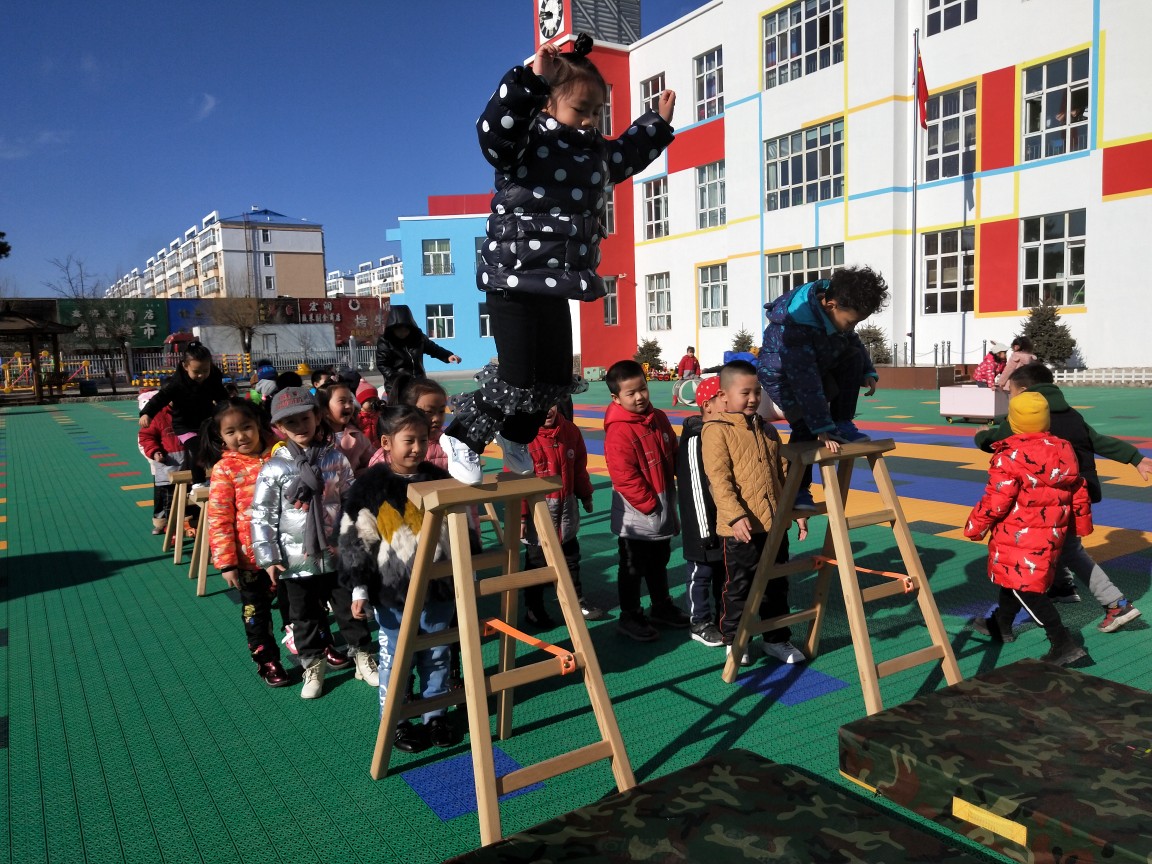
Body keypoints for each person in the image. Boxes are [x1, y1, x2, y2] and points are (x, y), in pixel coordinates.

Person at [444, 33, 677, 474]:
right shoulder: (526, 145)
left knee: (554, 378)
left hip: (556, 284)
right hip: (512, 278)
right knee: (517, 375)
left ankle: (516, 437)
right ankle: (460, 436)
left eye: (596, 112)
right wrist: (530, 83)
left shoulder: (594, 153)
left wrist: (656, 126)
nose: (589, 121)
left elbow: (627, 154)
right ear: (548, 105)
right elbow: (496, 131)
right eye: (580, 109)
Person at [976, 362, 1148, 632]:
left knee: (1060, 549)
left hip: (1051, 498)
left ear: (1025, 391)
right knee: (1054, 542)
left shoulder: (1027, 418)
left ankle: (1116, 603)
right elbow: (1098, 440)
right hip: (1080, 491)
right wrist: (1134, 457)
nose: (1010, 398)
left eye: (1011, 393)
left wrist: (980, 437)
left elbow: (996, 440)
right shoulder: (1071, 415)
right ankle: (1061, 587)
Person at [337, 406, 460, 753]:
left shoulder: (440, 480)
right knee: (397, 656)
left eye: (423, 439)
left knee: (438, 652)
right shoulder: (370, 488)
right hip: (392, 592)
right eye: (409, 440)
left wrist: (466, 570)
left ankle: (435, 714)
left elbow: (459, 527)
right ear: (386, 442)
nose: (418, 448)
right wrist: (359, 588)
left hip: (438, 586)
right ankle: (396, 720)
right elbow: (354, 540)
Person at [250, 387, 378, 699]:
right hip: (295, 559)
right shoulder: (274, 467)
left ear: (317, 417)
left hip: (336, 553)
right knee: (303, 617)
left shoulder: (335, 458)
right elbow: (263, 514)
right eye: (290, 422)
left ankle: (363, 657)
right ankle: (313, 666)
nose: (300, 426)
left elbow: (351, 501)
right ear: (279, 428)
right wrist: (268, 556)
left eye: (305, 418)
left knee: (351, 609)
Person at [965, 392, 1093, 666]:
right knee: (1014, 577)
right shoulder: (1063, 450)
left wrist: (975, 526)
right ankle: (1001, 623)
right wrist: (1079, 525)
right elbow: (1078, 490)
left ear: (1014, 422)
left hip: (1018, 532)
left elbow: (997, 499)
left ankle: (1062, 642)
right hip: (1051, 532)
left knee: (1026, 588)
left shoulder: (1010, 454)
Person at [702, 361, 809, 665]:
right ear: (723, 396)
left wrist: (795, 509)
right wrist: (735, 516)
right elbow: (718, 480)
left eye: (758, 392)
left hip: (774, 524)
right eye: (745, 392)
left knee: (777, 584)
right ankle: (736, 640)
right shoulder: (716, 431)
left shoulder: (768, 430)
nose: (753, 398)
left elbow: (783, 473)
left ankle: (776, 639)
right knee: (740, 586)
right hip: (741, 529)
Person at [757, 266, 889, 509]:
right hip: (783, 376)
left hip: (817, 364)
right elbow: (805, 383)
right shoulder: (796, 325)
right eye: (851, 321)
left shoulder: (837, 312)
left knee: (852, 356)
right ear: (831, 305)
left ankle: (842, 422)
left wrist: (866, 370)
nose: (851, 327)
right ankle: (797, 490)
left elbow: (852, 340)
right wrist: (821, 427)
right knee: (805, 424)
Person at [201, 398, 289, 687]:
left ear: (259, 424)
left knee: (298, 605)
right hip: (250, 559)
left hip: (289, 550)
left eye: (247, 427)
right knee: (256, 613)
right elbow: (219, 518)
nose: (241, 436)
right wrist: (226, 563)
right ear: (221, 436)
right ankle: (267, 660)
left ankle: (312, 648)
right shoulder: (225, 469)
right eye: (231, 432)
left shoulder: (281, 454)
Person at [603, 359, 689, 641]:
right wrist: (650, 505)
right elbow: (624, 476)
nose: (639, 397)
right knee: (632, 567)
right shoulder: (619, 431)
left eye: (642, 389)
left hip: (660, 507)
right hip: (637, 517)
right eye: (631, 393)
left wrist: (684, 473)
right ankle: (630, 615)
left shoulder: (658, 418)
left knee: (659, 560)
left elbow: (673, 450)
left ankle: (661, 605)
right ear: (616, 398)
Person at [521, 401, 604, 627]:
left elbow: (578, 467)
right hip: (538, 513)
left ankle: (576, 600)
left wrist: (585, 495)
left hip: (565, 509)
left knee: (571, 558)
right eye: (541, 403)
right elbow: (517, 479)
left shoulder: (569, 431)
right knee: (536, 563)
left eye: (552, 403)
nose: (548, 409)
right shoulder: (524, 436)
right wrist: (521, 515)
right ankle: (534, 609)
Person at [675, 375, 725, 648]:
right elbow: (695, 487)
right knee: (700, 573)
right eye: (723, 399)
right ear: (707, 405)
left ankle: (722, 619)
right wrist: (705, 530)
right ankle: (700, 622)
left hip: (722, 522)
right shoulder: (696, 439)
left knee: (723, 574)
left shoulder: (722, 433)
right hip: (702, 524)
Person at [138, 340, 229, 483]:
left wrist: (233, 409)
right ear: (185, 366)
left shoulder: (213, 378)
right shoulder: (177, 383)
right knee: (198, 450)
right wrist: (147, 413)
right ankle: (198, 483)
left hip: (206, 422)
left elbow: (223, 398)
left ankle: (222, 478)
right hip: (184, 426)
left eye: (205, 370)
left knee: (222, 447)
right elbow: (160, 398)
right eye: (196, 372)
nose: (201, 375)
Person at [370, 376, 482, 485]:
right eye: (429, 412)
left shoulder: (452, 445)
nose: (437, 418)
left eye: (441, 411)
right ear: (407, 410)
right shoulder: (386, 457)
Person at [374, 305, 461, 402]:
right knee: (402, 410)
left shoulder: (418, 338)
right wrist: (397, 378)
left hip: (419, 383)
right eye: (398, 330)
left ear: (410, 327)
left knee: (421, 408)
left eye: (405, 329)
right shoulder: (385, 341)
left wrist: (447, 356)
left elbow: (433, 348)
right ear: (392, 328)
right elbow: (382, 364)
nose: (402, 333)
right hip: (397, 387)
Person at [138, 404, 185, 535]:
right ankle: (167, 526)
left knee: (188, 500)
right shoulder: (156, 415)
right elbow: (146, 437)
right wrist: (154, 452)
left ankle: (187, 525)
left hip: (188, 466)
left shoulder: (190, 409)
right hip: (167, 468)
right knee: (168, 500)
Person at [317, 380, 377, 478]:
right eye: (342, 401)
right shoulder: (316, 438)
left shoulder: (357, 436)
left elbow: (373, 461)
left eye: (351, 401)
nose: (348, 405)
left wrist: (358, 475)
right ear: (324, 409)